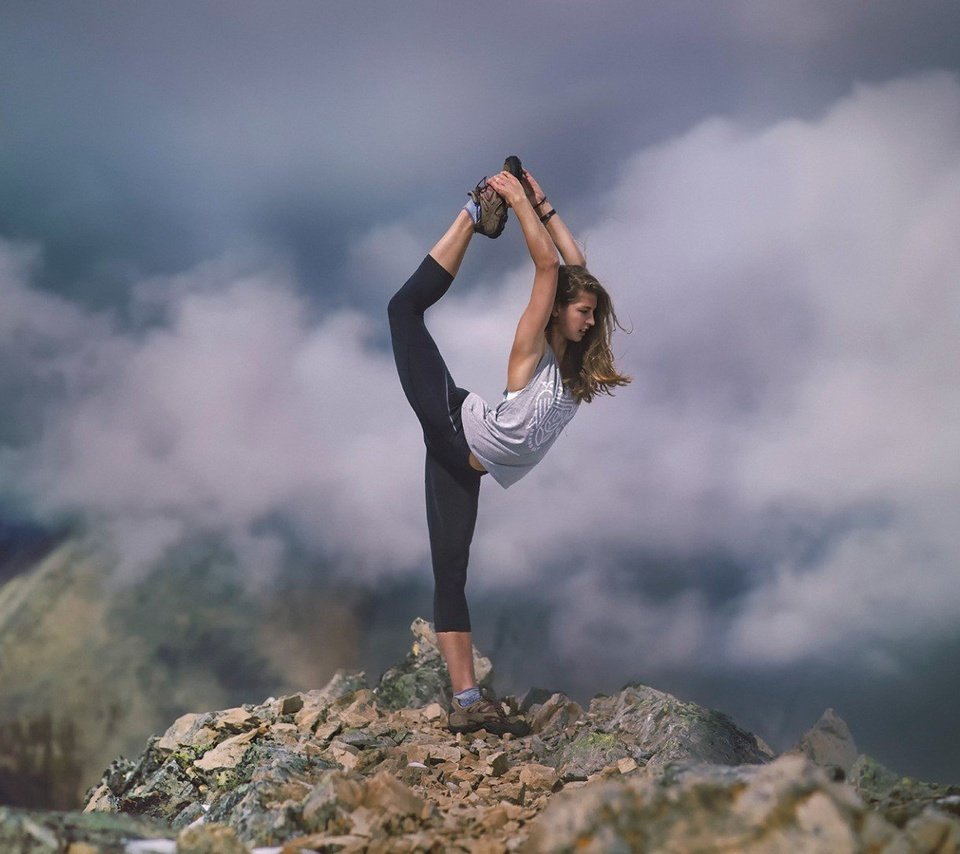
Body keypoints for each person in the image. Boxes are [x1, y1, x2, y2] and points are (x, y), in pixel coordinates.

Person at [387, 157, 630, 735]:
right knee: (403, 310)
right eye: (582, 312)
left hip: (464, 464)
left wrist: (543, 205)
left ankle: (467, 701)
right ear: (556, 314)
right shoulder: (534, 346)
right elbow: (551, 264)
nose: (591, 320)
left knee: (451, 573)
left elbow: (578, 266)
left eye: (594, 314)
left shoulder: (574, 367)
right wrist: (513, 198)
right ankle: (472, 214)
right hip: (453, 422)